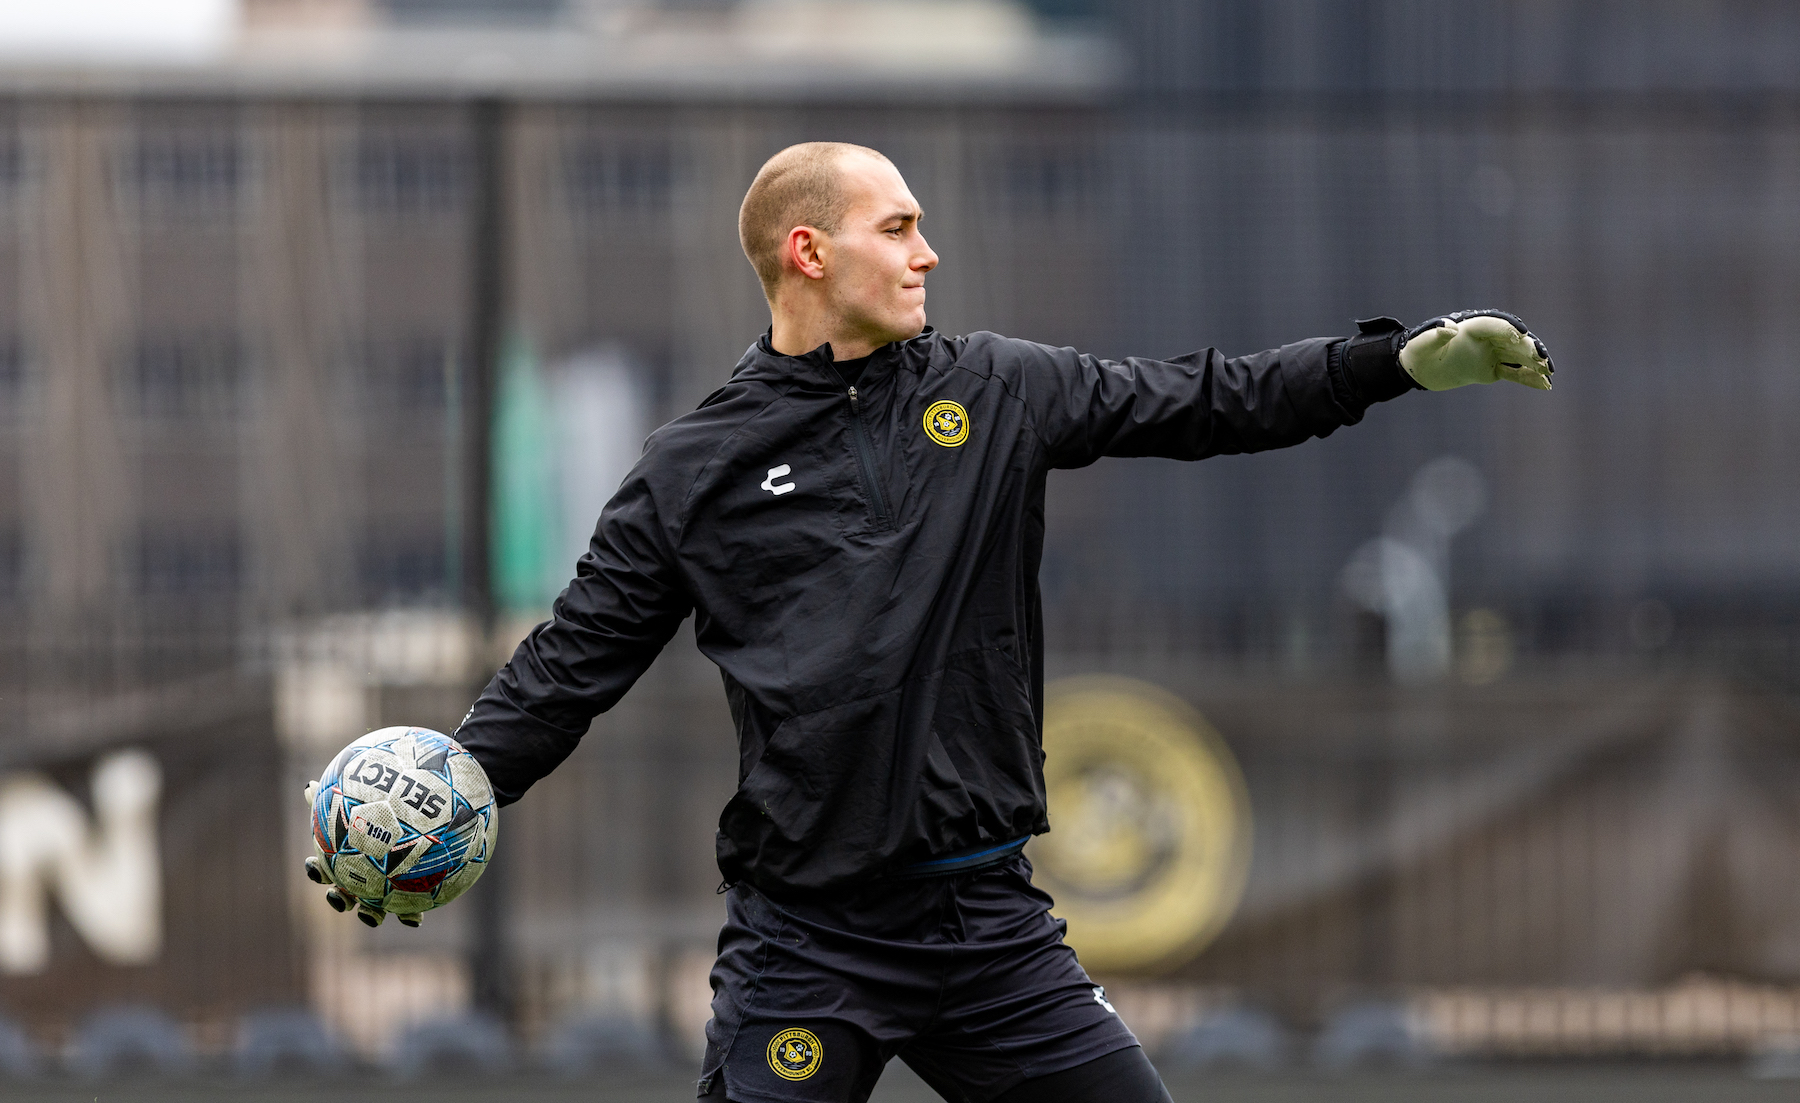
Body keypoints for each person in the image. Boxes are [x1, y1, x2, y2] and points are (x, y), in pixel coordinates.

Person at [308, 142, 1554, 1102]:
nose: (927, 253)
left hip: (990, 931)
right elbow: (567, 669)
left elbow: (1203, 399)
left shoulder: (996, 388)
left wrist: (1389, 365)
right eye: (897, 228)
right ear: (809, 253)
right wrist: (445, 790)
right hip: (810, 938)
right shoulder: (691, 468)